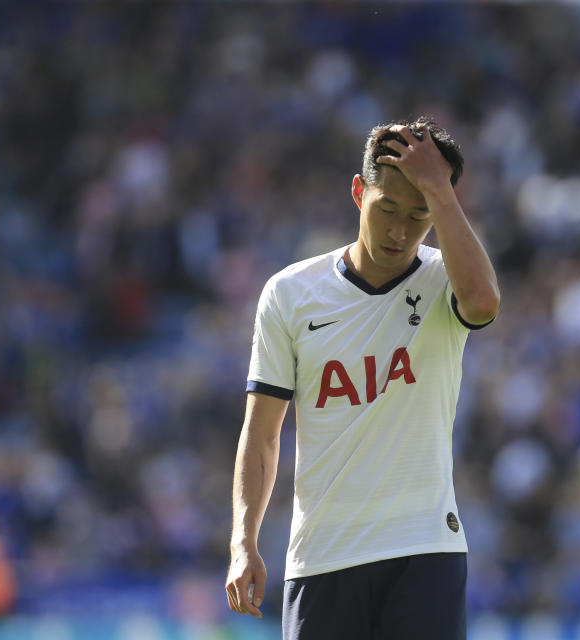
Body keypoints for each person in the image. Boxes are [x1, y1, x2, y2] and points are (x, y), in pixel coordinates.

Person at [225, 116, 500, 639]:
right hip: (323, 557)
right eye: (387, 209)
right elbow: (261, 435)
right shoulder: (290, 294)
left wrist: (439, 191)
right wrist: (244, 540)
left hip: (425, 551)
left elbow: (484, 303)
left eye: (419, 215)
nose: (399, 232)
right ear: (358, 192)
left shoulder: (448, 280)